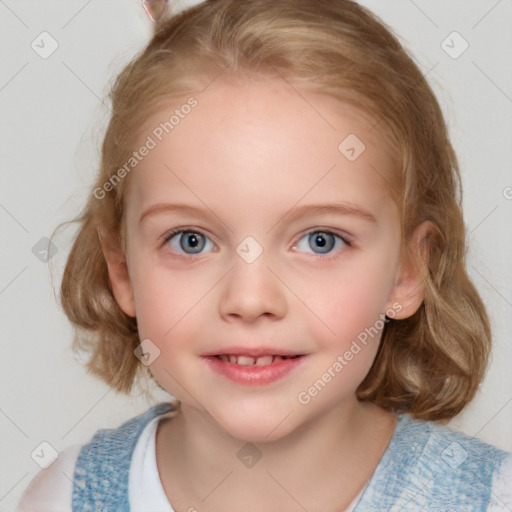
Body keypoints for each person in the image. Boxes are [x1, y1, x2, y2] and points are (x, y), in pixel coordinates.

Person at [16, 0, 512, 510]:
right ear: (122, 270)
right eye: (191, 240)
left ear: (409, 271)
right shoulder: (63, 497)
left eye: (321, 240)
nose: (250, 300)